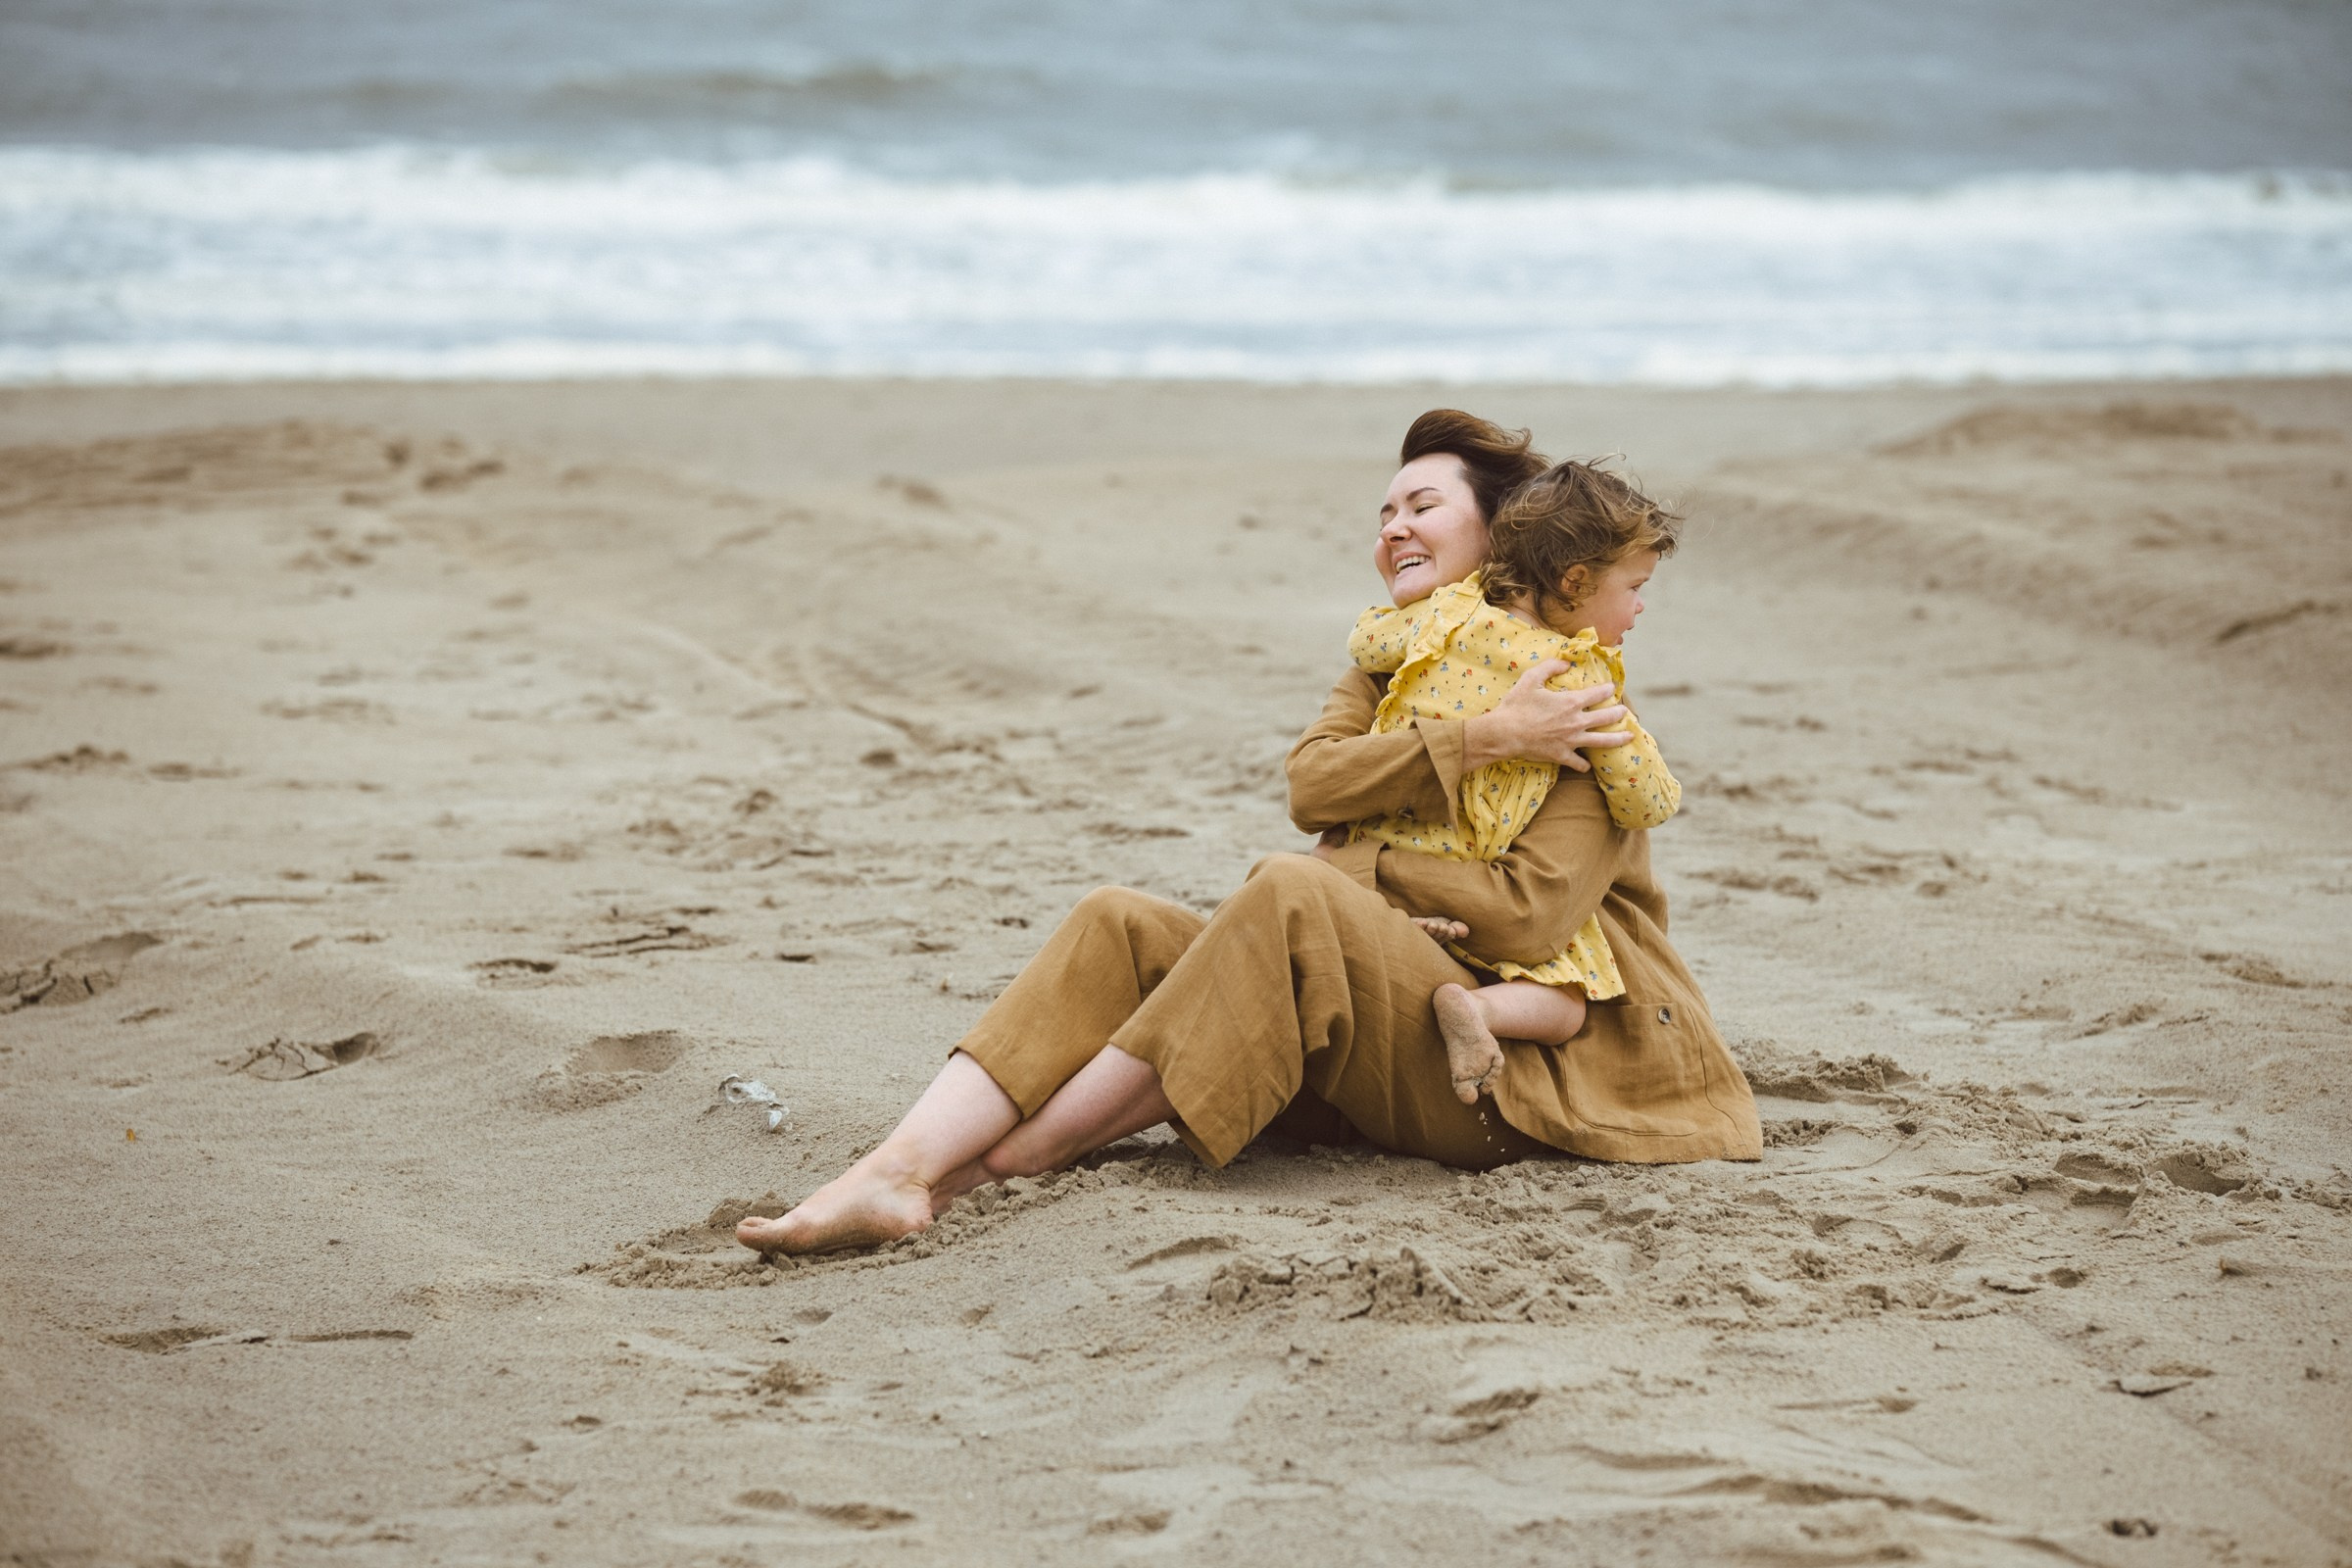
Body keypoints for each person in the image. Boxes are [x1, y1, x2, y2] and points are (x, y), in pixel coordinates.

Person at [736, 410, 1760, 1257]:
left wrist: (1358, 876)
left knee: (1292, 890)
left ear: (1503, 539)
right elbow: (1314, 785)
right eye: (1384, 511)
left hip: (1518, 1078)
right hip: (1389, 1024)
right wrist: (1480, 737)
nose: (1393, 528)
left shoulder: (1578, 703)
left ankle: (987, 1172)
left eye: (1423, 505)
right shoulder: (1387, 666)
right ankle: (896, 1168)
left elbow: (1530, 919)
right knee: (1119, 921)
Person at [1348, 456, 1683, 1103]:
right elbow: (1647, 800)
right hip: (1472, 860)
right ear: (1576, 581)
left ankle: (1414, 931)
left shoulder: (1450, 615)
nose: (1640, 606)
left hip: (1387, 828)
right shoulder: (1576, 679)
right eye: (1635, 587)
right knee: (1566, 1001)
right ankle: (1477, 1010)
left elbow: (1366, 646)